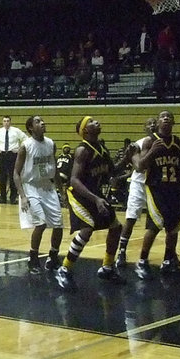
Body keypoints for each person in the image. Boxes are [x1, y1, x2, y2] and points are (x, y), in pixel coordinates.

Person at [56, 116, 126, 289]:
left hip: (95, 194)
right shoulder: (83, 150)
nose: (97, 122)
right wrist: (96, 199)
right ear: (85, 130)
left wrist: (127, 158)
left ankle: (107, 267)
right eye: (92, 122)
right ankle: (64, 269)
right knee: (87, 229)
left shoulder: (101, 148)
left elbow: (113, 171)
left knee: (116, 228)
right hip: (79, 195)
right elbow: (74, 180)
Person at [133, 109, 180, 279]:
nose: (166, 118)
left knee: (173, 227)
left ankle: (168, 258)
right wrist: (153, 152)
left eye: (169, 117)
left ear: (173, 122)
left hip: (173, 189)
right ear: (157, 122)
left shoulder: (179, 142)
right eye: (162, 116)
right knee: (154, 226)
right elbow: (140, 166)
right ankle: (142, 260)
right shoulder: (150, 141)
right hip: (155, 188)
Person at [14, 115, 64, 276]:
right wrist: (22, 196)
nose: (43, 123)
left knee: (58, 224)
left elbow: (54, 167)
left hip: (48, 187)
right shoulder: (26, 146)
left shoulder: (50, 144)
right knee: (41, 223)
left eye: (43, 120)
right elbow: (16, 173)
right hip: (31, 187)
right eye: (38, 121)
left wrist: (61, 190)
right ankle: (33, 258)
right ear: (30, 128)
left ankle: (53, 257)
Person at [115, 117, 158, 269]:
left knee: (161, 220)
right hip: (139, 183)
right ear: (144, 128)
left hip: (157, 184)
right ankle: (121, 251)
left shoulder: (165, 142)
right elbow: (138, 167)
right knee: (131, 217)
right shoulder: (138, 144)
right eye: (149, 123)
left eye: (155, 122)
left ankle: (169, 254)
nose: (152, 125)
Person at [0, 115, 25, 204]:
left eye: (8, 121)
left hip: (13, 155)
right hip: (2, 155)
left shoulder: (16, 131)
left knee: (14, 176)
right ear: (2, 122)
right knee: (2, 177)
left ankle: (13, 198)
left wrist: (19, 149)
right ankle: (3, 197)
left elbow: (25, 139)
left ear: (10, 122)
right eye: (4, 121)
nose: (6, 123)